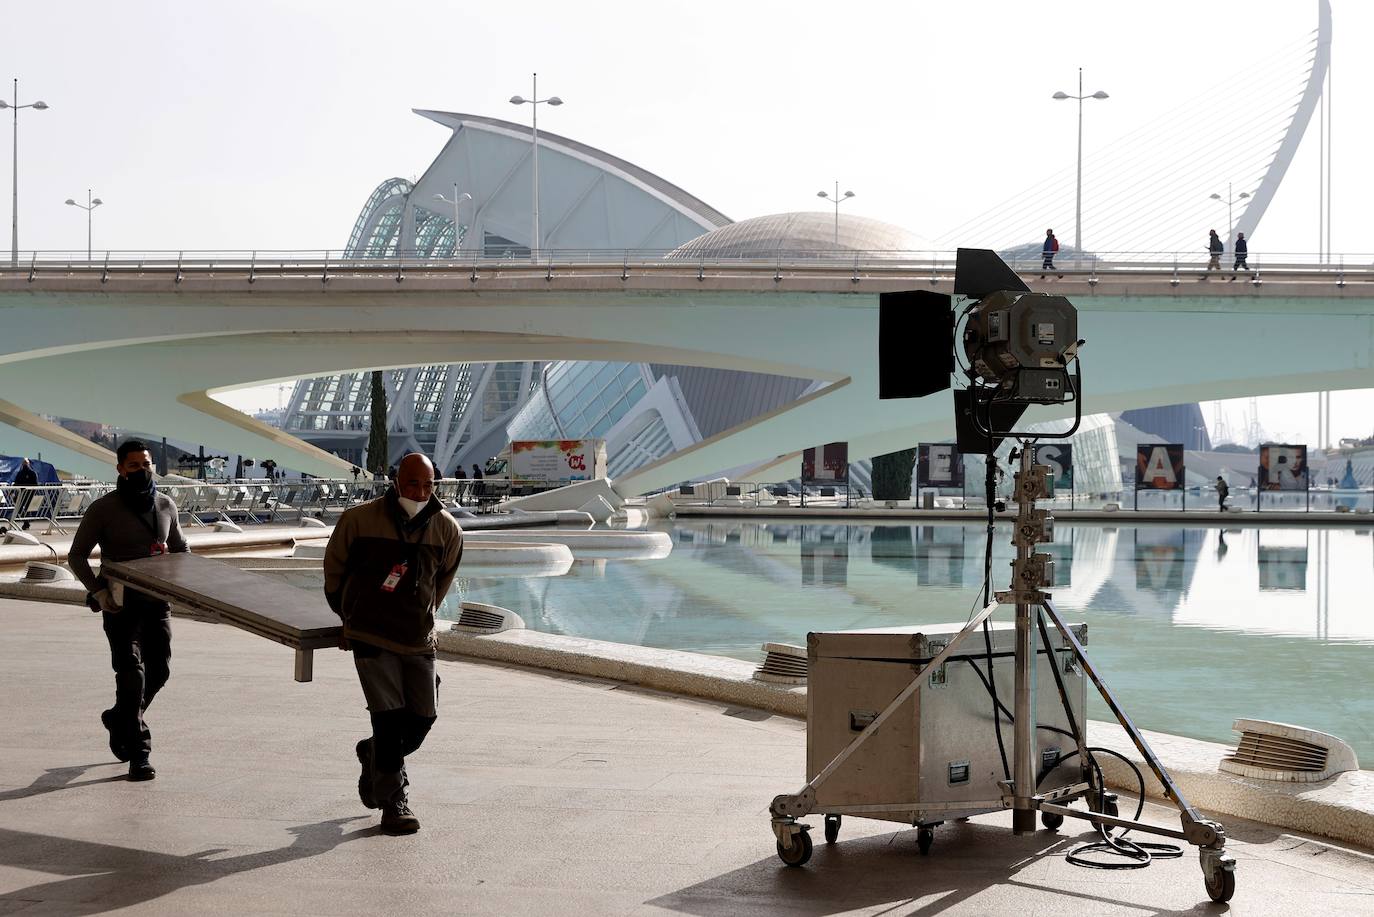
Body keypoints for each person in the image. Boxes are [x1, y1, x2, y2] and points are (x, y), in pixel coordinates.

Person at [324, 452, 464, 835]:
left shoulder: (446, 528)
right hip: (370, 633)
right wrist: (348, 616)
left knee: (423, 717)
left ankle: (373, 754)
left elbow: (442, 581)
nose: (421, 491)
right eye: (413, 482)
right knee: (387, 718)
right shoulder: (359, 520)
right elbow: (334, 571)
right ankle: (393, 802)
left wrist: (424, 613)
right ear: (396, 481)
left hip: (417, 638)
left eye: (428, 484)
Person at [69, 440, 188, 781]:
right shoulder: (103, 509)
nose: (141, 470)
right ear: (120, 469)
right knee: (131, 673)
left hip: (157, 602)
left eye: (145, 464)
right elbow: (77, 555)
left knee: (160, 672)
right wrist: (97, 590)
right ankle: (140, 752)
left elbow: (181, 549)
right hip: (119, 604)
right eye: (133, 465)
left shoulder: (165, 504)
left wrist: (180, 576)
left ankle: (120, 718)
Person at [13, 457, 38, 530]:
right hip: (20, 495)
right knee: (19, 508)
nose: (25, 464)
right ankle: (26, 521)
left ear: (29, 464)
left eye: (26, 463)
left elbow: (35, 484)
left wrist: (32, 492)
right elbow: (16, 483)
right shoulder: (20, 473)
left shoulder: (32, 473)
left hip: (29, 495)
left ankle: (26, 522)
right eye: (24, 463)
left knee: (27, 509)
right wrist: (12, 491)